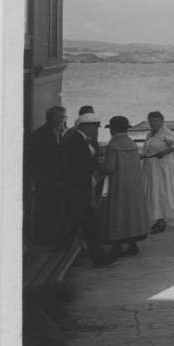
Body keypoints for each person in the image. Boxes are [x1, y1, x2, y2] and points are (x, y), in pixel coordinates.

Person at [61, 113, 117, 267]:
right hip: (79, 188)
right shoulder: (78, 141)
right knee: (86, 223)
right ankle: (97, 257)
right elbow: (82, 165)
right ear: (84, 126)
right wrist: (96, 163)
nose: (95, 129)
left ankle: (66, 254)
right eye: (94, 126)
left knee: (75, 223)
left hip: (78, 188)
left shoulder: (79, 139)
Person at [98, 116, 150, 258]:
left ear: (113, 130)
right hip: (133, 185)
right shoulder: (131, 143)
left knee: (117, 213)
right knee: (130, 213)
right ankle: (132, 245)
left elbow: (109, 167)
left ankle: (117, 246)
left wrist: (97, 165)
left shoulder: (113, 144)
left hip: (118, 184)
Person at [140, 111, 174, 234]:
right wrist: (142, 155)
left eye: (156, 121)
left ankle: (161, 221)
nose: (153, 124)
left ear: (161, 121)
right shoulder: (150, 134)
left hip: (162, 167)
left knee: (162, 192)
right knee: (153, 193)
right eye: (151, 121)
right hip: (151, 167)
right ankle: (159, 219)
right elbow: (149, 149)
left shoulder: (165, 132)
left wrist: (164, 152)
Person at [26, 105, 67, 246]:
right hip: (45, 181)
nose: (60, 120)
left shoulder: (57, 132)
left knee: (52, 212)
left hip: (54, 181)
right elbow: (36, 161)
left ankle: (49, 242)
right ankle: (42, 243)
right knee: (43, 212)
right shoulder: (40, 134)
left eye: (62, 117)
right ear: (49, 117)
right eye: (57, 117)